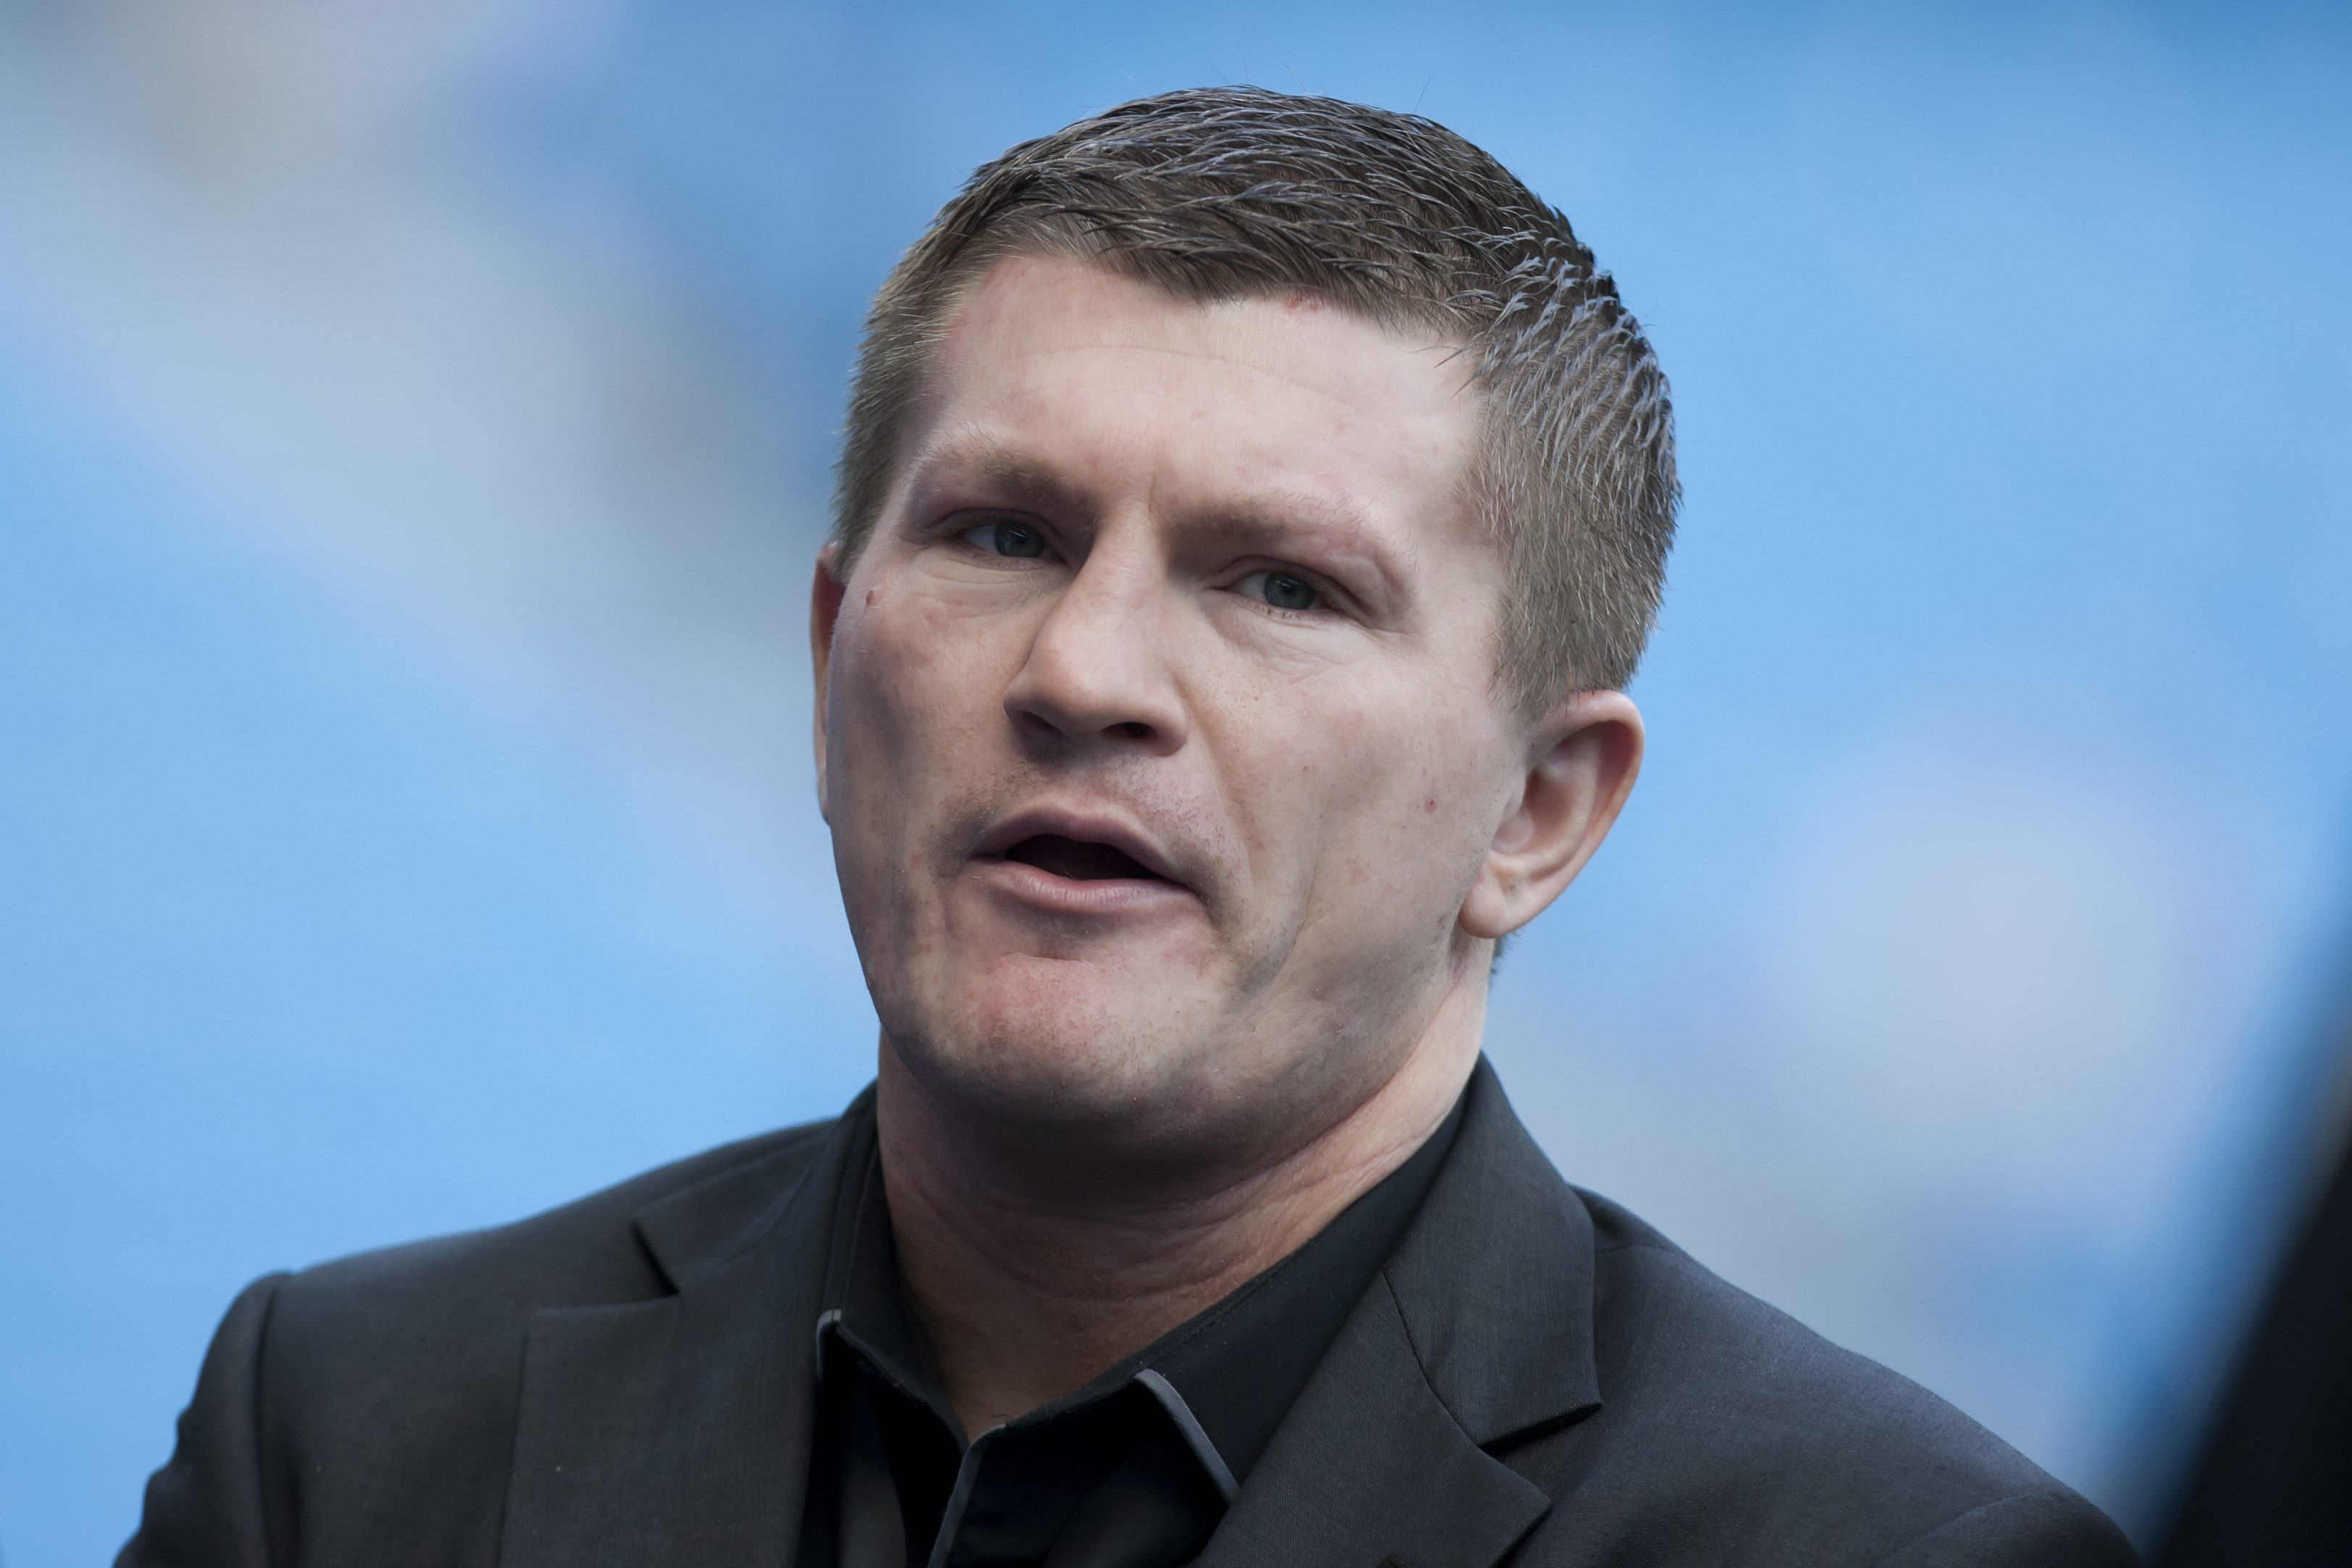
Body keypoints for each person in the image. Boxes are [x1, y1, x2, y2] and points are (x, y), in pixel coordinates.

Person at [122, 88, 2138, 1568]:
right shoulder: (346, 1428)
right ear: (833, 661)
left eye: (1279, 585)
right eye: (1003, 534)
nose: (1084, 671)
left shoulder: (1890, 1557)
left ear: (1538, 811)